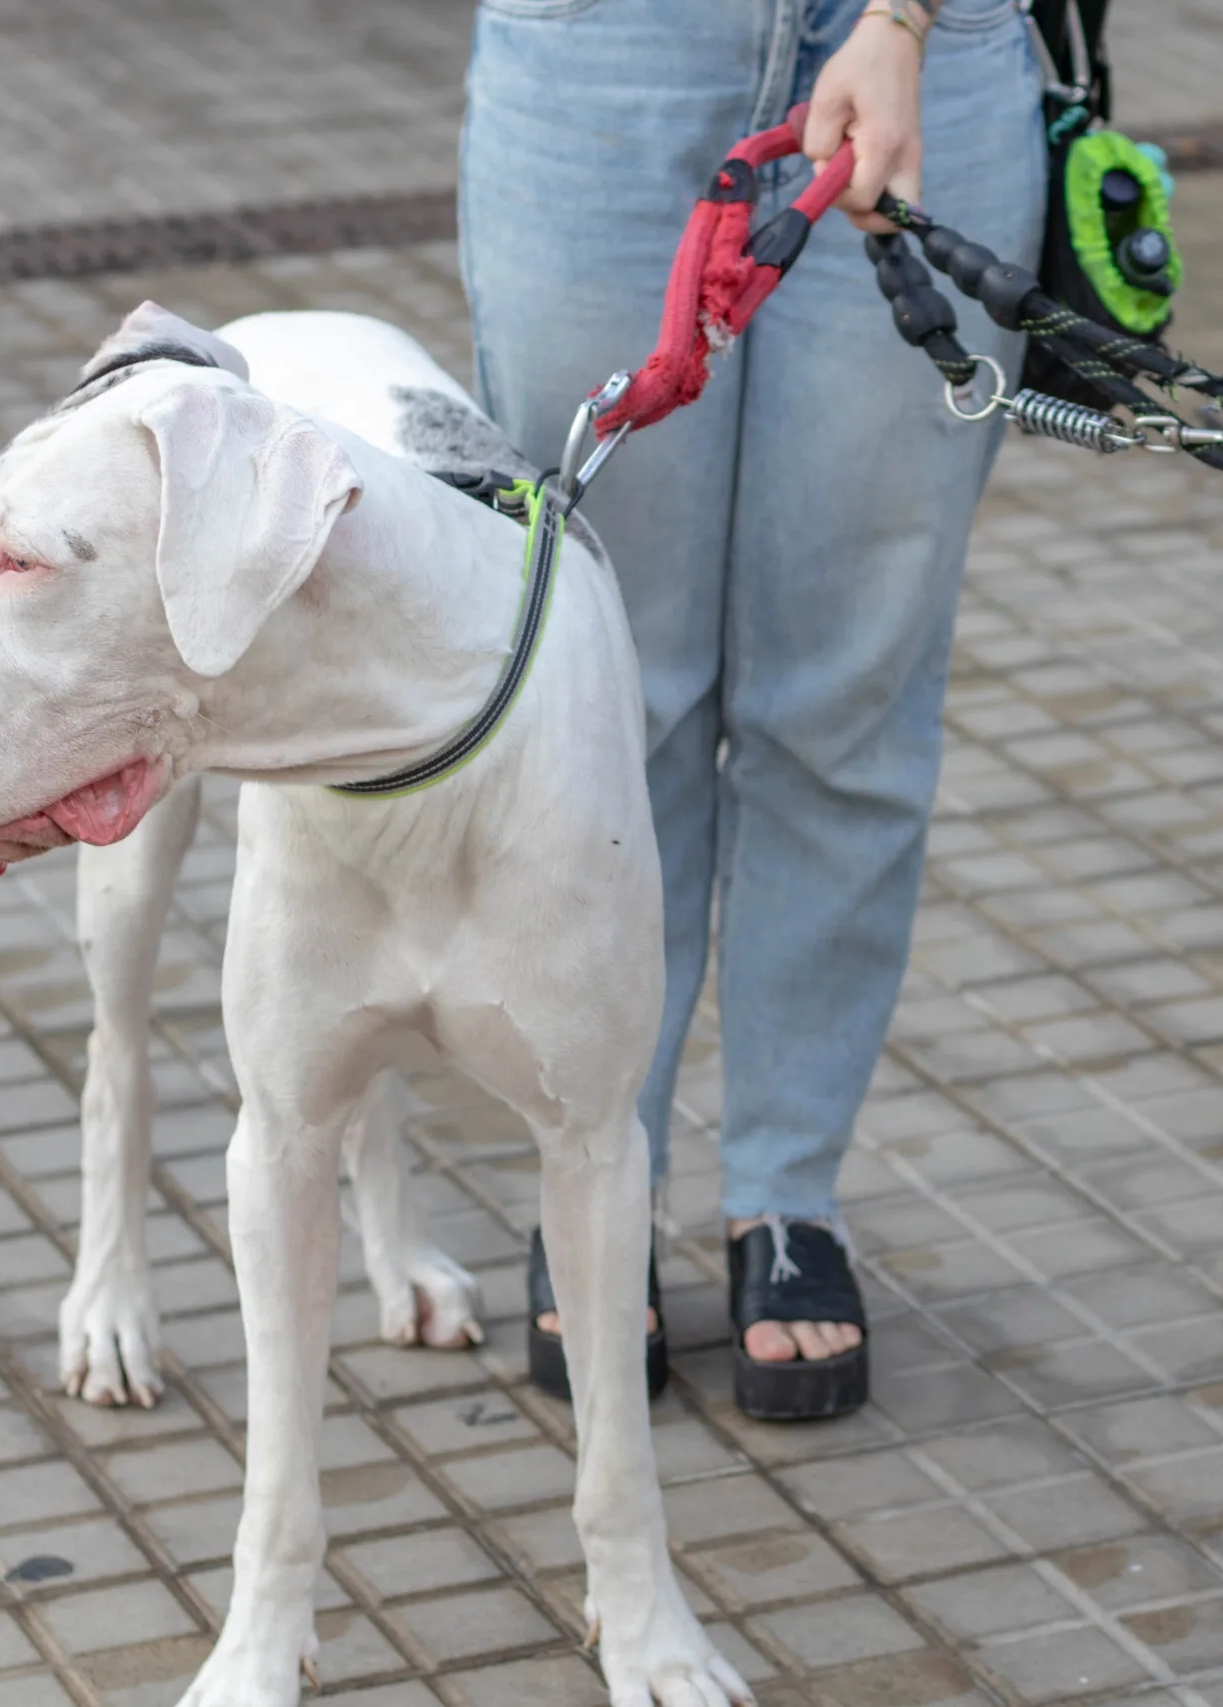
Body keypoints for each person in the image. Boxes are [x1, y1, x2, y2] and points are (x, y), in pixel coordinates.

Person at [459, 0, 1045, 1420]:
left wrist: (898, 20)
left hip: (931, 51)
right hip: (602, 50)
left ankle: (790, 1191)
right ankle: (596, 1173)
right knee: (607, 690)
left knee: (844, 697)